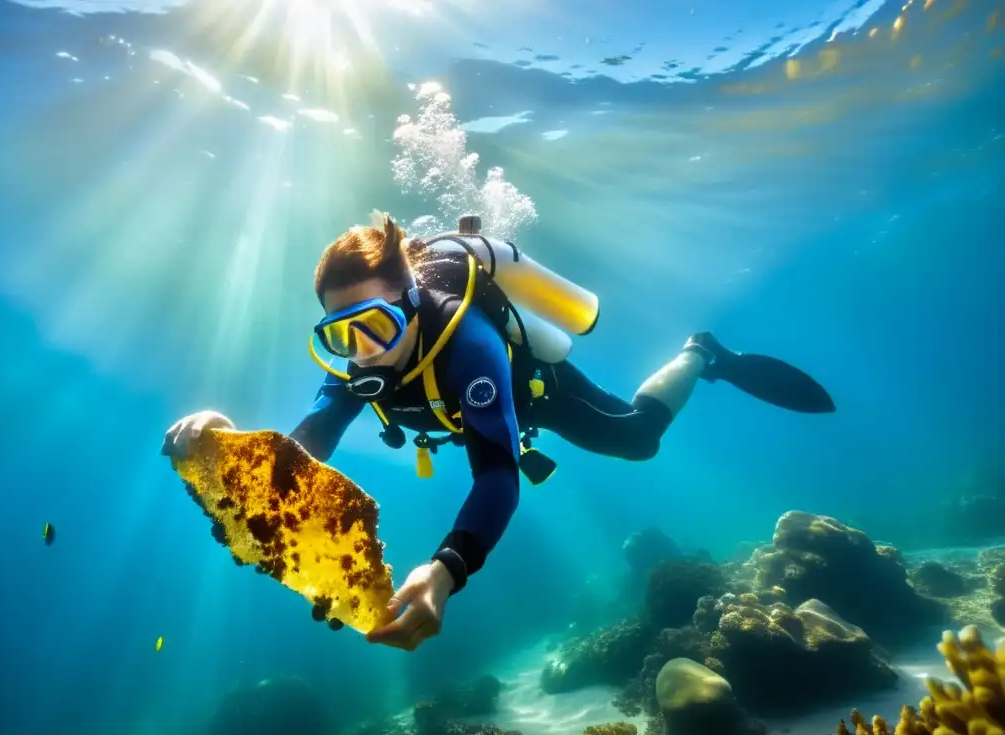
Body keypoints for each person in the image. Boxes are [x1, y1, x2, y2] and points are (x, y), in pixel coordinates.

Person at [162, 213, 834, 652]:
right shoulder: (358, 363)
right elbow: (313, 435)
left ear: (410, 305)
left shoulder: (469, 343)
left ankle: (700, 354)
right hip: (463, 413)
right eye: (343, 334)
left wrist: (446, 570)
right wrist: (230, 444)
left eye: (375, 326)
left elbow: (496, 474)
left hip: (529, 391)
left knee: (636, 439)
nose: (361, 351)